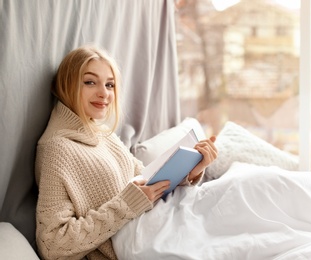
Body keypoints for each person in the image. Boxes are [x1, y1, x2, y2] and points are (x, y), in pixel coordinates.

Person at [34, 44, 218, 260]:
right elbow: (52, 245)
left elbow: (147, 181)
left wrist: (192, 170)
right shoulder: (57, 149)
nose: (104, 93)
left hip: (162, 230)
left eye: (110, 85)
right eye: (90, 82)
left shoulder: (103, 134)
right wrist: (127, 205)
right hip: (140, 248)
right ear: (67, 84)